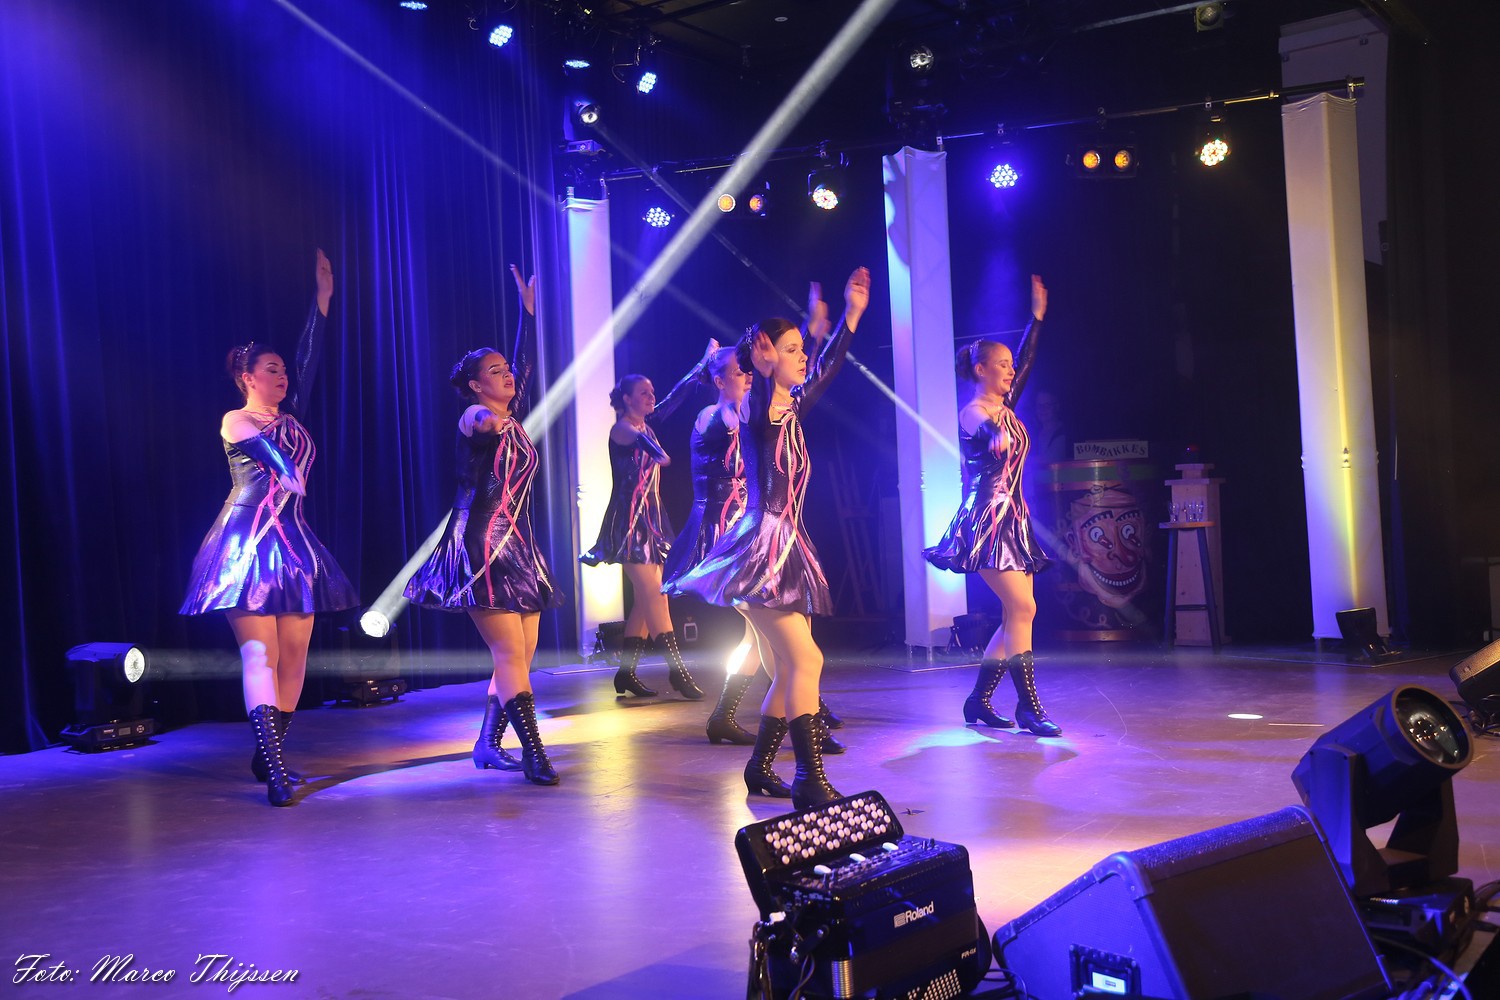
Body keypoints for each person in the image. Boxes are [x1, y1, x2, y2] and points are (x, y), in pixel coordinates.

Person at [668, 267, 869, 810]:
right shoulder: (754, 409)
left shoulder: (790, 407)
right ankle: (808, 778)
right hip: (760, 549)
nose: (804, 357)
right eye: (792, 349)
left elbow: (826, 369)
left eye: (802, 348)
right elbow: (759, 403)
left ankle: (760, 768)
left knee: (787, 665)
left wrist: (850, 317)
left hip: (785, 547)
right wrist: (759, 372)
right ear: (764, 357)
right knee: (805, 662)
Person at [180, 249, 359, 807]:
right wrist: (286, 469)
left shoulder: (291, 415)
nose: (282, 376)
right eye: (271, 370)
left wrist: (322, 301)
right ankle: (277, 771)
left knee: (295, 656)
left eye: (284, 370)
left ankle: (270, 750)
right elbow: (265, 454)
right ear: (246, 377)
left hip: (294, 544)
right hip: (246, 543)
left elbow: (310, 356)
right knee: (261, 655)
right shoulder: (236, 419)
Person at [403, 266, 563, 786]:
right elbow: (477, 423)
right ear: (476, 386)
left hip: (519, 546)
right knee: (509, 653)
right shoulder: (475, 418)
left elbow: (526, 366)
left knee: (521, 655)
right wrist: (485, 419)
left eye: (506, 369)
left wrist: (528, 312)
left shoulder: (513, 417)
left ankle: (487, 745)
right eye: (495, 372)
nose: (507, 375)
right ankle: (535, 753)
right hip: (480, 545)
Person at [923, 274, 1060, 737]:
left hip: (1013, 519)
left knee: (1019, 612)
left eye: (1010, 365)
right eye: (1001, 365)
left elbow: (1028, 360)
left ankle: (979, 700)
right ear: (980, 370)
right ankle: (1028, 707)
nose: (1010, 370)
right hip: (985, 521)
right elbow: (984, 433)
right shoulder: (974, 412)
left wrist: (1036, 318)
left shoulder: (1006, 405)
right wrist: (994, 434)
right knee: (1022, 607)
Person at [579, 341, 717, 701]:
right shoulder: (623, 429)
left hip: (651, 521)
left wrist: (702, 363)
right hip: (628, 523)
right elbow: (643, 444)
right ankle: (677, 672)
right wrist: (657, 450)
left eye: (651, 392)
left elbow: (676, 397)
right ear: (626, 399)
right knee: (656, 596)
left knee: (646, 599)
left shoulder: (646, 423)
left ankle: (626, 674)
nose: (651, 397)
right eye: (643, 393)